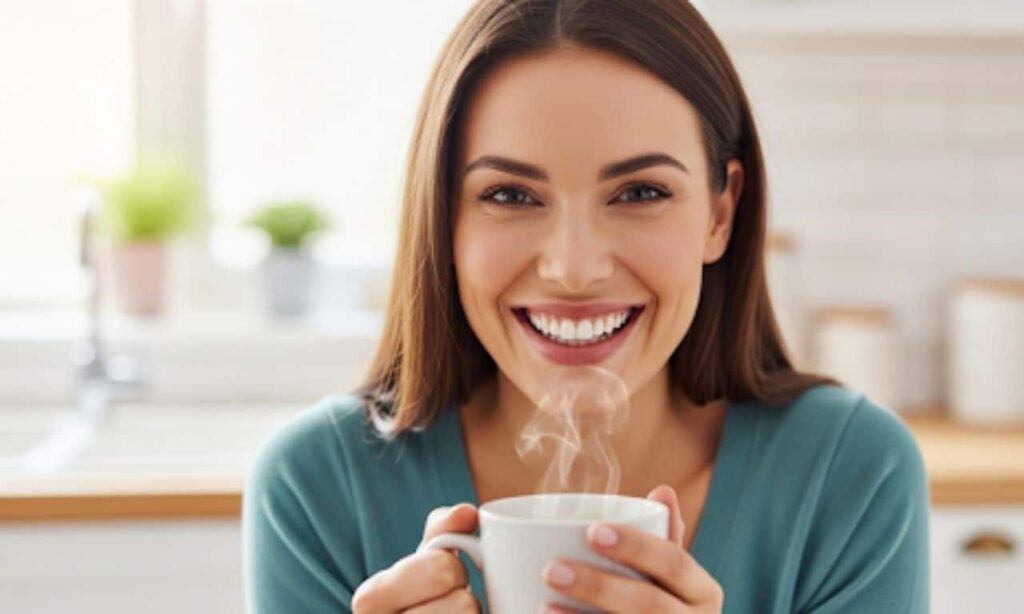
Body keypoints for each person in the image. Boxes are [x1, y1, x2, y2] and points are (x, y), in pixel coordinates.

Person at [242, 1, 931, 612]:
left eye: (640, 193)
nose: (573, 271)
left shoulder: (848, 475)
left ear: (720, 214)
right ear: (444, 220)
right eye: (510, 195)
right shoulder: (319, 488)